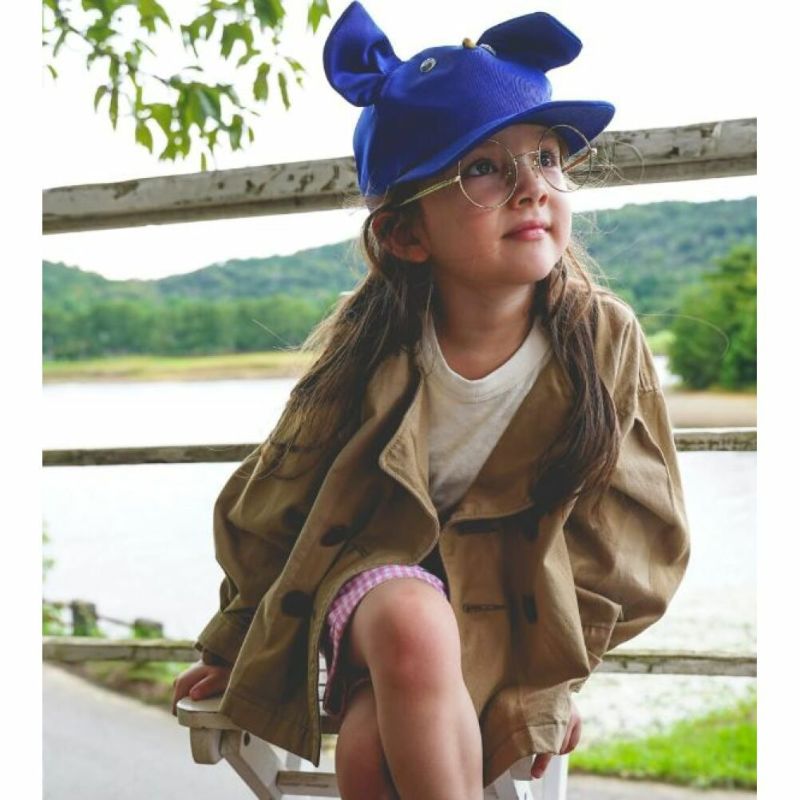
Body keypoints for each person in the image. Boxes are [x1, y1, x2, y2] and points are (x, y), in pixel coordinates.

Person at [172, 3, 691, 798]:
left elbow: (632, 534)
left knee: (372, 749)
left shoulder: (601, 339)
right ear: (406, 236)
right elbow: (280, 493)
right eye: (482, 169)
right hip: (374, 578)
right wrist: (231, 639)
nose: (531, 187)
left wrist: (554, 675)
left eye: (546, 158)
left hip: (510, 607)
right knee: (413, 623)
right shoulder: (374, 341)